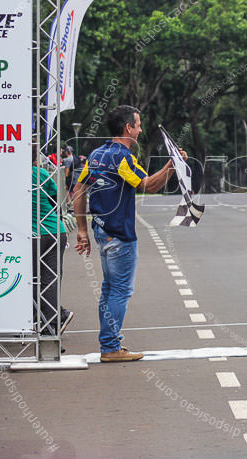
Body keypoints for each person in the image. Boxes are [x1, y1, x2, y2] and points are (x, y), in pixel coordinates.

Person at [73, 105, 179, 362]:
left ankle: (108, 344)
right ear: (127, 128)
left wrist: (82, 230)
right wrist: (171, 166)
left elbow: (78, 189)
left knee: (109, 289)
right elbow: (149, 186)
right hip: (120, 235)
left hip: (101, 231)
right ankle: (110, 347)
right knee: (119, 290)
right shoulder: (122, 158)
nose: (141, 130)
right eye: (138, 124)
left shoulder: (97, 155)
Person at [32, 148, 73, 337]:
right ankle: (53, 322)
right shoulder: (41, 173)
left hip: (34, 234)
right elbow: (55, 200)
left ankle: (50, 320)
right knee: (50, 279)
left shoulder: (10, 176)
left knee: (32, 280)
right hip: (56, 230)